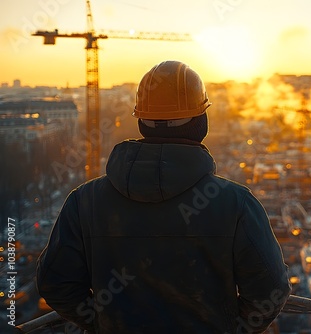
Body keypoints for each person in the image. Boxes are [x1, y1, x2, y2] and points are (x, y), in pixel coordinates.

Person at [36, 60, 291, 333]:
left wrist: (103, 323)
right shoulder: (235, 203)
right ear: (199, 122)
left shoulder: (85, 201)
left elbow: (55, 282)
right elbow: (269, 290)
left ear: (142, 121)